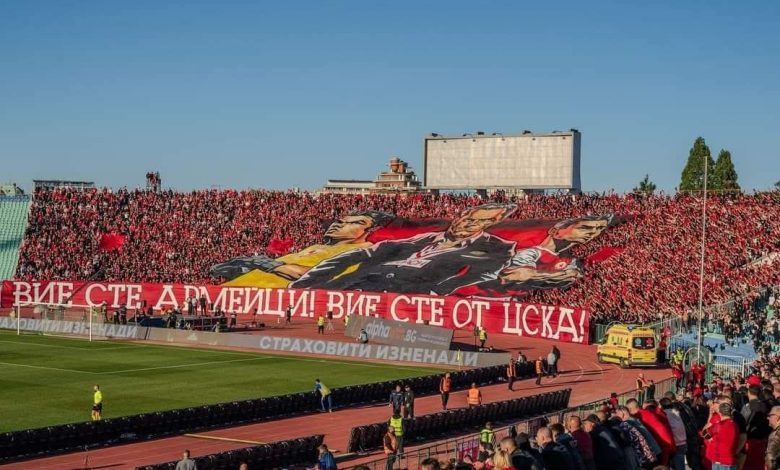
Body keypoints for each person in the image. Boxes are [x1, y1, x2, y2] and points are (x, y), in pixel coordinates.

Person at [292, 204, 519, 295]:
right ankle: (300, 290)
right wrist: (303, 283)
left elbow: (481, 274)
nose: (467, 224)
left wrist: (436, 292)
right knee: (352, 261)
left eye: (478, 222)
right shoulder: (426, 237)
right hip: (367, 278)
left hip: (408, 289)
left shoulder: (495, 247)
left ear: (490, 224)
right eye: (467, 217)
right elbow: (369, 253)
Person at [217, 211, 394, 285]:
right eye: (339, 221)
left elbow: (318, 276)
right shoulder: (318, 246)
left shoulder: (364, 251)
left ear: (371, 230)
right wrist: (244, 269)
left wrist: (264, 263)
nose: (338, 224)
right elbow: (279, 269)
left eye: (354, 222)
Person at [741, 385, 771, 470]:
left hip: (749, 439)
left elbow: (742, 421)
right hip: (763, 439)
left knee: (748, 464)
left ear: (749, 393)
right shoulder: (766, 405)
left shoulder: (747, 406)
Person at [711, 402, 740, 470]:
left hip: (719, 460)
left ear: (720, 413)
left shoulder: (718, 425)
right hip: (730, 459)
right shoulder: (735, 425)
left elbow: (711, 438)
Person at [765, 405, 780, 469]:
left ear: (778, 417)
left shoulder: (776, 435)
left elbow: (770, 458)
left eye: (770, 415)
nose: (767, 418)